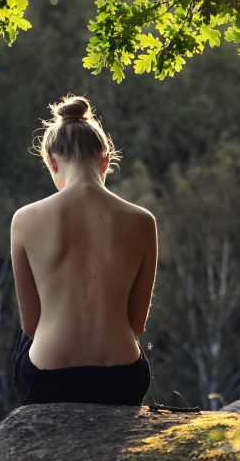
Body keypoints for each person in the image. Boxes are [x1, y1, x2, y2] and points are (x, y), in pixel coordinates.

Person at [10, 95, 157, 406]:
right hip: (122, 380)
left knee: (24, 339)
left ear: (51, 161)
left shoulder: (24, 220)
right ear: (105, 160)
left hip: (49, 381)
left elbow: (31, 325)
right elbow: (137, 325)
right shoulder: (143, 221)